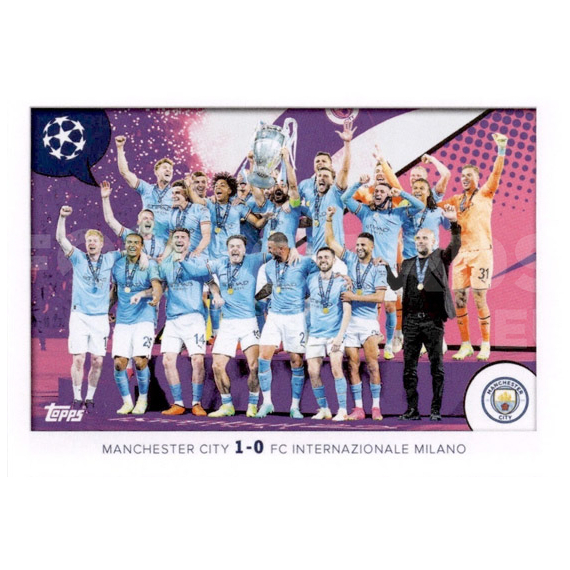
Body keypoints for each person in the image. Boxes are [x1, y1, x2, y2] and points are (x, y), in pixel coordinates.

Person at [381, 205, 461, 421]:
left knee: (437, 368)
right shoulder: (408, 264)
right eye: (418, 238)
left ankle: (435, 409)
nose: (420, 241)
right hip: (411, 324)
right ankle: (412, 410)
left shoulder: (440, 257)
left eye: (425, 238)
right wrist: (387, 268)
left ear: (433, 241)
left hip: (433, 322)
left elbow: (455, 245)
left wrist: (454, 223)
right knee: (409, 370)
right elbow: (395, 284)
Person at [438, 133, 508, 360]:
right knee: (459, 300)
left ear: (478, 178)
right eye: (462, 176)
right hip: (461, 255)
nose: (464, 179)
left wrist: (501, 150)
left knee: (479, 297)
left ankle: (485, 344)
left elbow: (496, 174)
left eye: (469, 175)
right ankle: (466, 344)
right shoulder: (456, 200)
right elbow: (432, 206)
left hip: (481, 253)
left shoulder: (486, 193)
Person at [341, 175, 424, 359]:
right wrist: (358, 183)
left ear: (389, 196)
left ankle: (388, 344)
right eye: (376, 191)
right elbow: (345, 198)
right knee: (369, 307)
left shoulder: (398, 214)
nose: (377, 194)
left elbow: (420, 206)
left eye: (381, 191)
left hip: (387, 269)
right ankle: (369, 342)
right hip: (366, 269)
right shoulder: (365, 212)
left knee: (390, 306)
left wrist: (401, 193)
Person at [56, 206, 123, 411]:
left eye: (94, 240)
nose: (91, 243)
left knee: (97, 360)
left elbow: (133, 250)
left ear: (102, 244)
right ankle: (77, 398)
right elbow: (60, 238)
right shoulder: (78, 257)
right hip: (79, 316)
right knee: (78, 359)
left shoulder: (110, 258)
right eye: (88, 241)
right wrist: (62, 217)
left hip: (100, 318)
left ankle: (90, 398)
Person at [325, 207, 387, 420]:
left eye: (363, 245)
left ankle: (376, 407)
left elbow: (379, 297)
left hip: (368, 322)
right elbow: (331, 242)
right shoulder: (350, 259)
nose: (359, 247)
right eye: (357, 244)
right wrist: (329, 219)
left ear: (372, 247)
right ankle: (359, 408)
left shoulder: (379, 268)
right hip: (350, 322)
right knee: (352, 364)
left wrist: (353, 296)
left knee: (372, 364)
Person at [206, 235, 272, 417]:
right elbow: (205, 275)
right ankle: (227, 405)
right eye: (232, 246)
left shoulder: (253, 260)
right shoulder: (219, 263)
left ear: (244, 249)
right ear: (227, 250)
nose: (235, 249)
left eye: (239, 246)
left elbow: (277, 252)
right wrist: (215, 293)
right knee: (217, 366)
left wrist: (294, 251)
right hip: (227, 323)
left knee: (255, 365)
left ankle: (253, 404)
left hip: (249, 322)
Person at [254, 232, 317, 418]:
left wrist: (303, 293)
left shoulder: (304, 262)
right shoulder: (268, 266)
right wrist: (258, 299)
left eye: (271, 248)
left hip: (295, 318)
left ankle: (294, 407)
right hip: (274, 316)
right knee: (263, 357)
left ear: (281, 248)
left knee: (296, 360)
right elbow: (270, 287)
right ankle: (267, 403)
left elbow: (320, 275)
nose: (268, 251)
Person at [158, 228, 211, 416]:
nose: (180, 240)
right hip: (173, 319)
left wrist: (218, 296)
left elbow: (211, 282)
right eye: (176, 237)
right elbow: (160, 286)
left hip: (194, 318)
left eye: (183, 237)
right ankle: (178, 403)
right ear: (172, 241)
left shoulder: (199, 260)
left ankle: (196, 403)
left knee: (197, 360)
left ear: (189, 242)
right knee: (167, 360)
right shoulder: (165, 264)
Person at [109, 233, 162, 414]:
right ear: (125, 244)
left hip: (144, 319)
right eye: (129, 242)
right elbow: (115, 290)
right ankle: (127, 402)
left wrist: (155, 297)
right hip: (123, 320)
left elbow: (157, 286)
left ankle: (143, 399)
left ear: (141, 246)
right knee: (119, 364)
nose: (132, 245)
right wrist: (107, 309)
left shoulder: (149, 264)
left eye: (136, 243)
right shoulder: (117, 266)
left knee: (140, 361)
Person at [305, 247, 352, 421]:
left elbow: (347, 311)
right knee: (313, 371)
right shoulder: (310, 279)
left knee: (336, 367)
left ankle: (343, 410)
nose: (323, 260)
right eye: (320, 257)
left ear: (333, 260)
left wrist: (340, 336)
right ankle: (324, 408)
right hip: (315, 333)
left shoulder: (342, 282)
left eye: (326, 257)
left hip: (334, 333)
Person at [302, 119, 355, 254]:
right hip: (317, 253)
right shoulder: (309, 192)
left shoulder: (335, 192)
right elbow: (295, 204)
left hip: (335, 253)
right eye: (319, 176)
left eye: (325, 175)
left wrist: (347, 143)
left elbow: (345, 170)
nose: (321, 177)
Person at [115, 135, 174, 242]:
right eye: (165, 168)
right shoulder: (146, 188)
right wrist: (120, 148)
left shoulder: (176, 193)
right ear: (156, 172)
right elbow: (125, 173)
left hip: (166, 244)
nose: (168, 170)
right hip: (145, 242)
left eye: (170, 169)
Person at [100, 181, 166, 260]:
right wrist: (105, 198)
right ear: (138, 222)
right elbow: (110, 220)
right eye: (145, 218)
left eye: (151, 219)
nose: (148, 220)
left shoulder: (162, 241)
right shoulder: (130, 236)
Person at [163, 179, 211, 259]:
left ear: (185, 195)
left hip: (197, 258)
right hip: (178, 258)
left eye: (177, 193)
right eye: (172, 193)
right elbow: (171, 240)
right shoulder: (172, 212)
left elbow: (206, 236)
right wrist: (163, 257)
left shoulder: (200, 209)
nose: (173, 196)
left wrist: (196, 251)